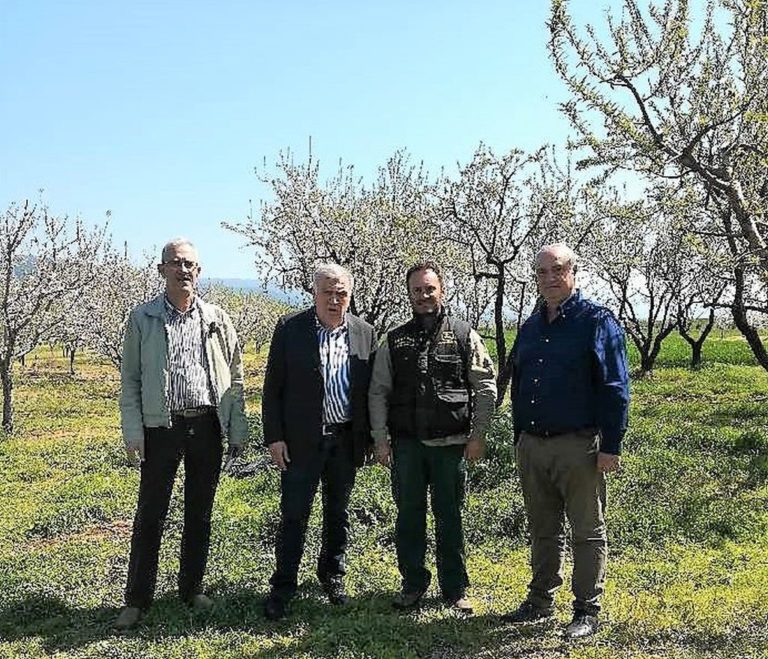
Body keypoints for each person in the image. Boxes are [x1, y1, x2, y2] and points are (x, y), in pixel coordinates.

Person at [114, 238, 248, 630]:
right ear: (161, 270)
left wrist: (236, 428)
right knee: (150, 514)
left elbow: (235, 377)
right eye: (175, 263)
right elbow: (131, 381)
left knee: (199, 512)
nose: (183, 270)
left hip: (206, 424)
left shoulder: (217, 319)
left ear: (199, 271)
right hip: (162, 427)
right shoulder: (142, 319)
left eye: (189, 264)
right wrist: (133, 431)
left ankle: (191, 589)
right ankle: (137, 600)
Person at [502, 243, 630, 640]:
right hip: (534, 445)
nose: (550, 278)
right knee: (542, 528)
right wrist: (519, 437)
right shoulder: (531, 326)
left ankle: (587, 609)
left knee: (587, 531)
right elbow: (519, 382)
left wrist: (611, 445)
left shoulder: (596, 321)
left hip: (580, 446)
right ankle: (540, 600)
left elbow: (615, 386)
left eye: (557, 270)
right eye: (541, 272)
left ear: (573, 272)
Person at [368, 261, 497, 614]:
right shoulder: (393, 339)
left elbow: (485, 386)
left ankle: (454, 588)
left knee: (450, 517)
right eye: (417, 290)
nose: (424, 296)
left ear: (442, 290)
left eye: (430, 289)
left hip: (451, 446)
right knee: (408, 517)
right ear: (409, 294)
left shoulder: (463, 333)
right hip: (407, 446)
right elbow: (378, 392)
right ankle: (412, 585)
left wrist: (478, 435)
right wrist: (381, 440)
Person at [261, 263, 376, 620]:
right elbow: (272, 388)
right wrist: (275, 437)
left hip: (344, 440)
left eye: (341, 292)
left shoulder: (365, 332)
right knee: (294, 514)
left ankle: (332, 576)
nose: (334, 299)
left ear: (350, 294)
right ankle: (283, 586)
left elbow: (372, 391)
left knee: (338, 513)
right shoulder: (290, 329)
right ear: (314, 293)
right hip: (301, 441)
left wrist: (371, 437)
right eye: (327, 291)